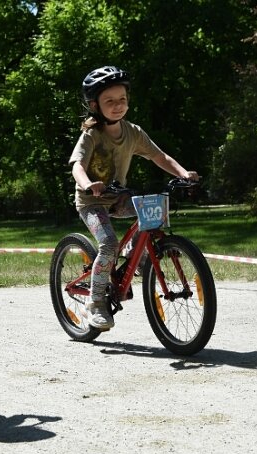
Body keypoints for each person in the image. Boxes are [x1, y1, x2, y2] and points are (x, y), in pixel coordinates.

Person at [69, 66, 199, 330]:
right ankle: (96, 303)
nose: (118, 106)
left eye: (122, 100)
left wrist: (184, 173)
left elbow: (159, 156)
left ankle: (134, 256)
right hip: (92, 202)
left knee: (154, 216)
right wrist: (87, 184)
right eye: (110, 101)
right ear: (95, 105)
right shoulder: (92, 135)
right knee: (107, 244)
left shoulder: (133, 132)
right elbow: (77, 166)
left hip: (119, 197)